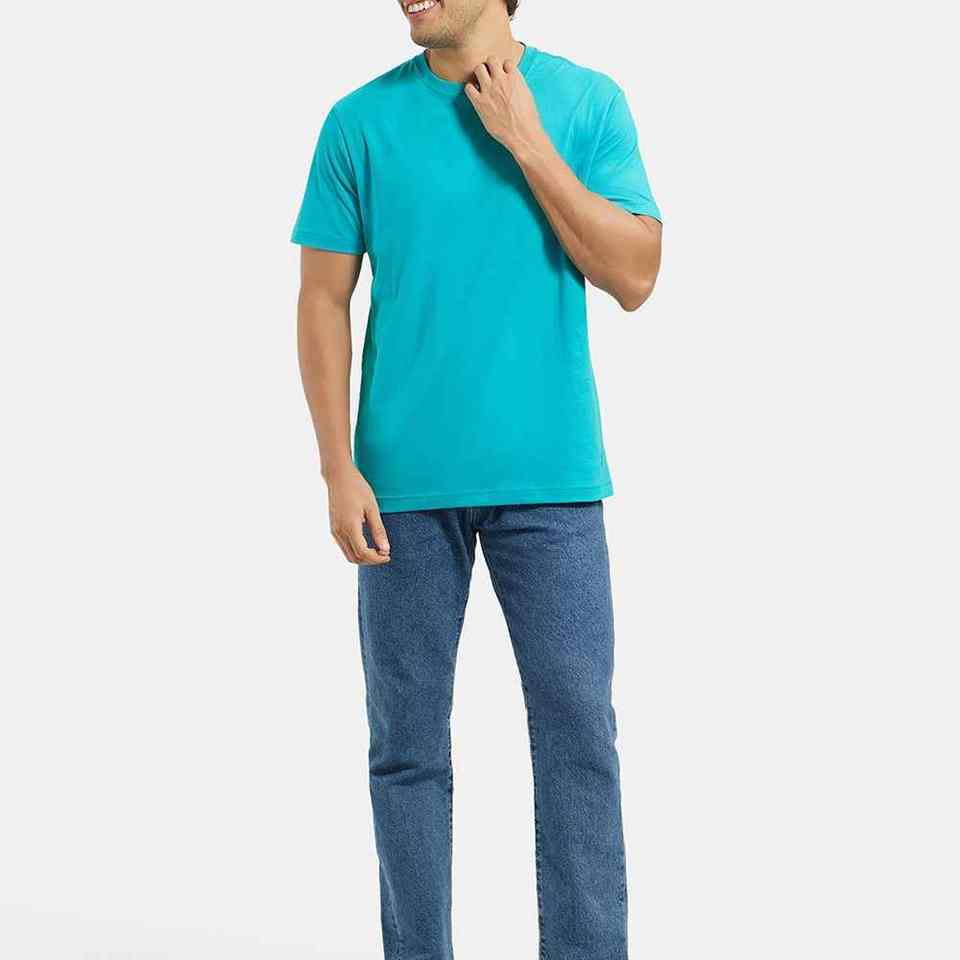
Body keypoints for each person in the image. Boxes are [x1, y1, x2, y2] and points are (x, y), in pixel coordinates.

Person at [292, 0, 661, 956]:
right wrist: (336, 467)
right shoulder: (358, 122)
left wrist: (527, 142)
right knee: (405, 750)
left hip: (553, 480)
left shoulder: (586, 102)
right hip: (400, 491)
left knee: (579, 740)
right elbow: (323, 298)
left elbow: (635, 275)